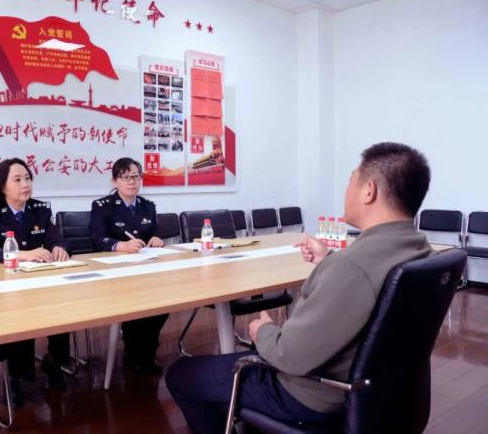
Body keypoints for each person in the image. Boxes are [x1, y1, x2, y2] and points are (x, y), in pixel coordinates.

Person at [166, 142, 434, 434]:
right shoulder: (420, 250)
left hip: (314, 396)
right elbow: (367, 283)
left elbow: (289, 355)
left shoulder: (352, 267)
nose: (347, 190)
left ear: (368, 191)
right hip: (383, 392)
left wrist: (261, 330)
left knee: (183, 374)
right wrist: (330, 260)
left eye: (351, 181)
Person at [0, 158, 72, 393]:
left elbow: (54, 238)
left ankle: (54, 362)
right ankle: (16, 378)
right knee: (19, 318)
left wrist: (59, 247)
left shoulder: (41, 209)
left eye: (27, 178)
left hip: (41, 280)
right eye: (17, 180)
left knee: (63, 312)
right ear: (2, 186)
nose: (25, 184)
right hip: (6, 283)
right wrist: (24, 254)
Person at [89, 157, 168, 375]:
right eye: (125, 177)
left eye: (135, 176)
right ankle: (133, 355)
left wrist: (157, 239)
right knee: (135, 306)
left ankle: (148, 351)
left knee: (163, 304)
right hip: (116, 272)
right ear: (115, 181)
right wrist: (120, 245)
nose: (132, 182)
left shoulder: (147, 206)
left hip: (146, 268)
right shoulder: (102, 206)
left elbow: (154, 233)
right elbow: (96, 239)